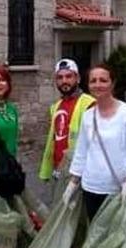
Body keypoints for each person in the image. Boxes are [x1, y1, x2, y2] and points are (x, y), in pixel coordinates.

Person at [63, 63, 126, 220]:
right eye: (93, 81)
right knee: (95, 232)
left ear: (113, 83)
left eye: (103, 80)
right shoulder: (88, 116)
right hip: (91, 187)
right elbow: (82, 151)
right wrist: (72, 183)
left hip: (117, 190)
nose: (98, 85)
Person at [38, 59, 96, 203]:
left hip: (79, 173)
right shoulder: (56, 106)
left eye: (69, 76)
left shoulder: (89, 103)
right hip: (58, 171)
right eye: (60, 77)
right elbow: (54, 140)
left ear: (78, 78)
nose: (64, 81)